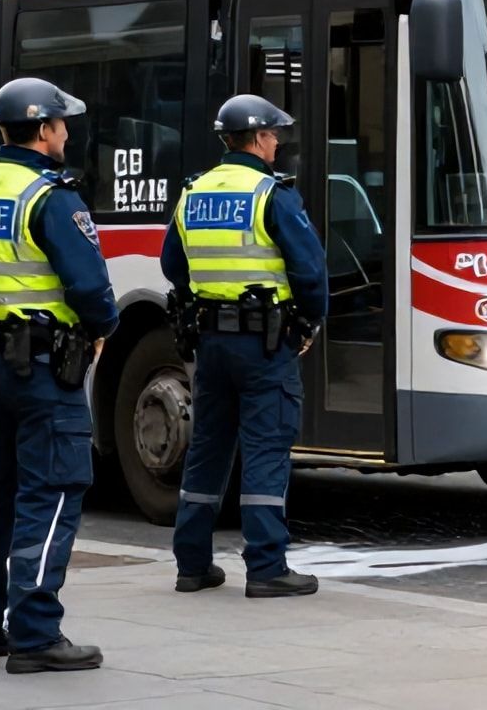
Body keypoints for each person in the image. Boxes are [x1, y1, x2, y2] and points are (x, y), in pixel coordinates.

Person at [0, 77, 117, 674]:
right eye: (63, 123)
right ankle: (37, 634)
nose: (67, 132)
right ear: (43, 130)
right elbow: (90, 287)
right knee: (52, 491)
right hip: (46, 370)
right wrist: (98, 328)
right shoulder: (51, 197)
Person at [162, 95, 327, 598]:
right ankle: (266, 566)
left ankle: (192, 563)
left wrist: (206, 300)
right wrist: (307, 323)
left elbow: (173, 263)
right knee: (266, 447)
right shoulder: (271, 195)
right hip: (265, 344)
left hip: (212, 342)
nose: (278, 142)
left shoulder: (194, 192)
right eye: (274, 134)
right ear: (257, 139)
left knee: (208, 445)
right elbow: (310, 271)